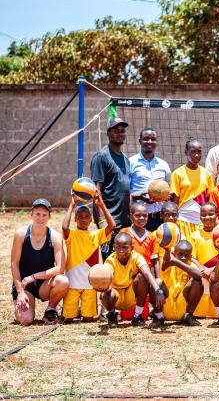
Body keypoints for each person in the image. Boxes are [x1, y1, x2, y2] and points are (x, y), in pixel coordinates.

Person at [11, 199, 69, 325]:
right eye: (37, 214)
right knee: (26, 320)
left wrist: (34, 277)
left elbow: (60, 268)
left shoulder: (55, 237)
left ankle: (51, 310)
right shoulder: (20, 234)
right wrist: (20, 291)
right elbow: (14, 264)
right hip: (24, 285)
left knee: (63, 280)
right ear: (31, 215)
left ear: (49, 217)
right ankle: (26, 303)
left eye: (44, 215)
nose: (40, 218)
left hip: (44, 284)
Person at [62, 192, 115, 322]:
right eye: (80, 217)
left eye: (86, 217)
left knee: (88, 319)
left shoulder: (96, 235)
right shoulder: (72, 235)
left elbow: (112, 226)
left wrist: (101, 205)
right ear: (75, 219)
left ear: (91, 219)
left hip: (90, 284)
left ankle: (82, 310)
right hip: (72, 283)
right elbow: (64, 227)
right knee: (68, 319)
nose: (83, 219)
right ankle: (67, 310)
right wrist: (72, 204)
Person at [99, 232, 166, 328]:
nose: (121, 251)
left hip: (131, 296)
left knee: (142, 277)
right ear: (113, 247)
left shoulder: (136, 257)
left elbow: (147, 272)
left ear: (132, 247)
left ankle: (137, 316)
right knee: (107, 292)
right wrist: (104, 289)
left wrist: (158, 290)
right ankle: (112, 315)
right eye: (118, 247)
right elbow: (106, 277)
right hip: (116, 296)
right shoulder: (110, 260)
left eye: (125, 247)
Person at [91, 117, 131, 258]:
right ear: (108, 133)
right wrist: (102, 221)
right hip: (109, 220)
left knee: (123, 260)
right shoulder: (102, 156)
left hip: (124, 220)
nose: (120, 133)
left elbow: (127, 189)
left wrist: (130, 213)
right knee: (110, 260)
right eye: (116, 131)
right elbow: (97, 191)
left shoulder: (126, 159)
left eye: (122, 131)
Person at [169, 138, 214, 240]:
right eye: (193, 152)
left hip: (201, 222)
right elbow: (175, 201)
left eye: (199, 152)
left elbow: (210, 201)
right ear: (186, 152)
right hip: (183, 221)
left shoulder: (207, 174)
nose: (196, 155)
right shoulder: (177, 174)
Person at [129, 127, 172, 231]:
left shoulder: (163, 165)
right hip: (140, 218)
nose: (149, 142)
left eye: (153, 139)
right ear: (140, 141)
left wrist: (166, 195)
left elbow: (169, 189)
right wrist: (140, 198)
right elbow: (125, 193)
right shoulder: (130, 162)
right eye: (146, 138)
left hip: (160, 218)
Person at [158, 240, 204, 327]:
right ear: (174, 253)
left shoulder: (190, 264)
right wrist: (168, 251)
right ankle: (158, 317)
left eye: (186, 255)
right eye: (180, 254)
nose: (183, 257)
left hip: (182, 304)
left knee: (197, 282)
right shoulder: (169, 263)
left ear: (190, 257)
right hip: (167, 302)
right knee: (158, 282)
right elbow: (165, 261)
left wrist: (177, 263)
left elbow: (198, 276)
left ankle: (188, 315)